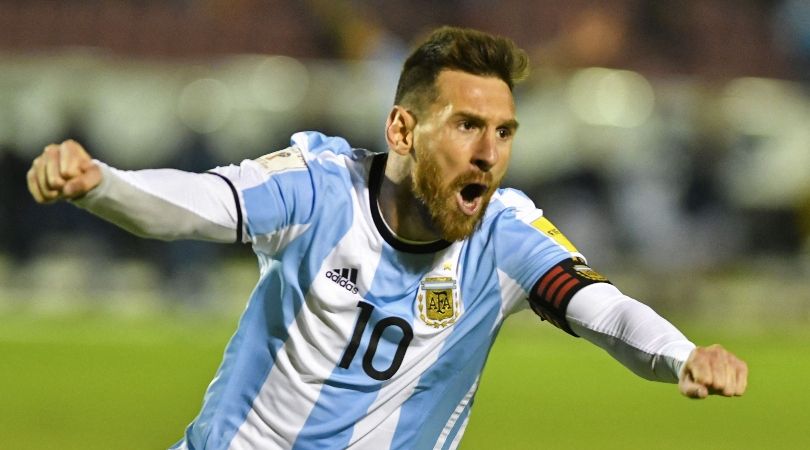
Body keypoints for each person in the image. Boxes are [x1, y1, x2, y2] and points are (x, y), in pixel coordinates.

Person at [26, 26, 747, 450]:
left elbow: (599, 307)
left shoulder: (503, 234)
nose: (488, 154)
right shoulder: (320, 186)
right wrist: (101, 184)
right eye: (466, 126)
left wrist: (683, 354)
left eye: (503, 133)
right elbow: (201, 203)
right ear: (402, 129)